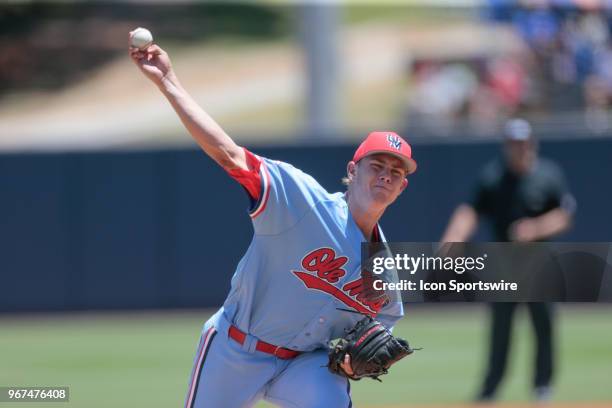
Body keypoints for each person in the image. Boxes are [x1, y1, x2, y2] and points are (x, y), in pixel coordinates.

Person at [129, 37, 417, 407]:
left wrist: (352, 363)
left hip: (305, 364)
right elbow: (229, 154)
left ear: (402, 187)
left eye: (395, 172)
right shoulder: (301, 200)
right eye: (376, 165)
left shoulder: (383, 271)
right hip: (236, 350)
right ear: (352, 170)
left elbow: (382, 328)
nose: (385, 175)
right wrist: (168, 83)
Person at [441, 118, 576, 402]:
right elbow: (470, 210)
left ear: (532, 144)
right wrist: (454, 237)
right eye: (514, 144)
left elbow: (564, 215)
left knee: (543, 323)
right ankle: (491, 387)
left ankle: (543, 385)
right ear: (506, 146)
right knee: (501, 327)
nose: (519, 149)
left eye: (523, 143)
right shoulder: (493, 177)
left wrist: (534, 228)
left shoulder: (548, 175)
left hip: (538, 261)